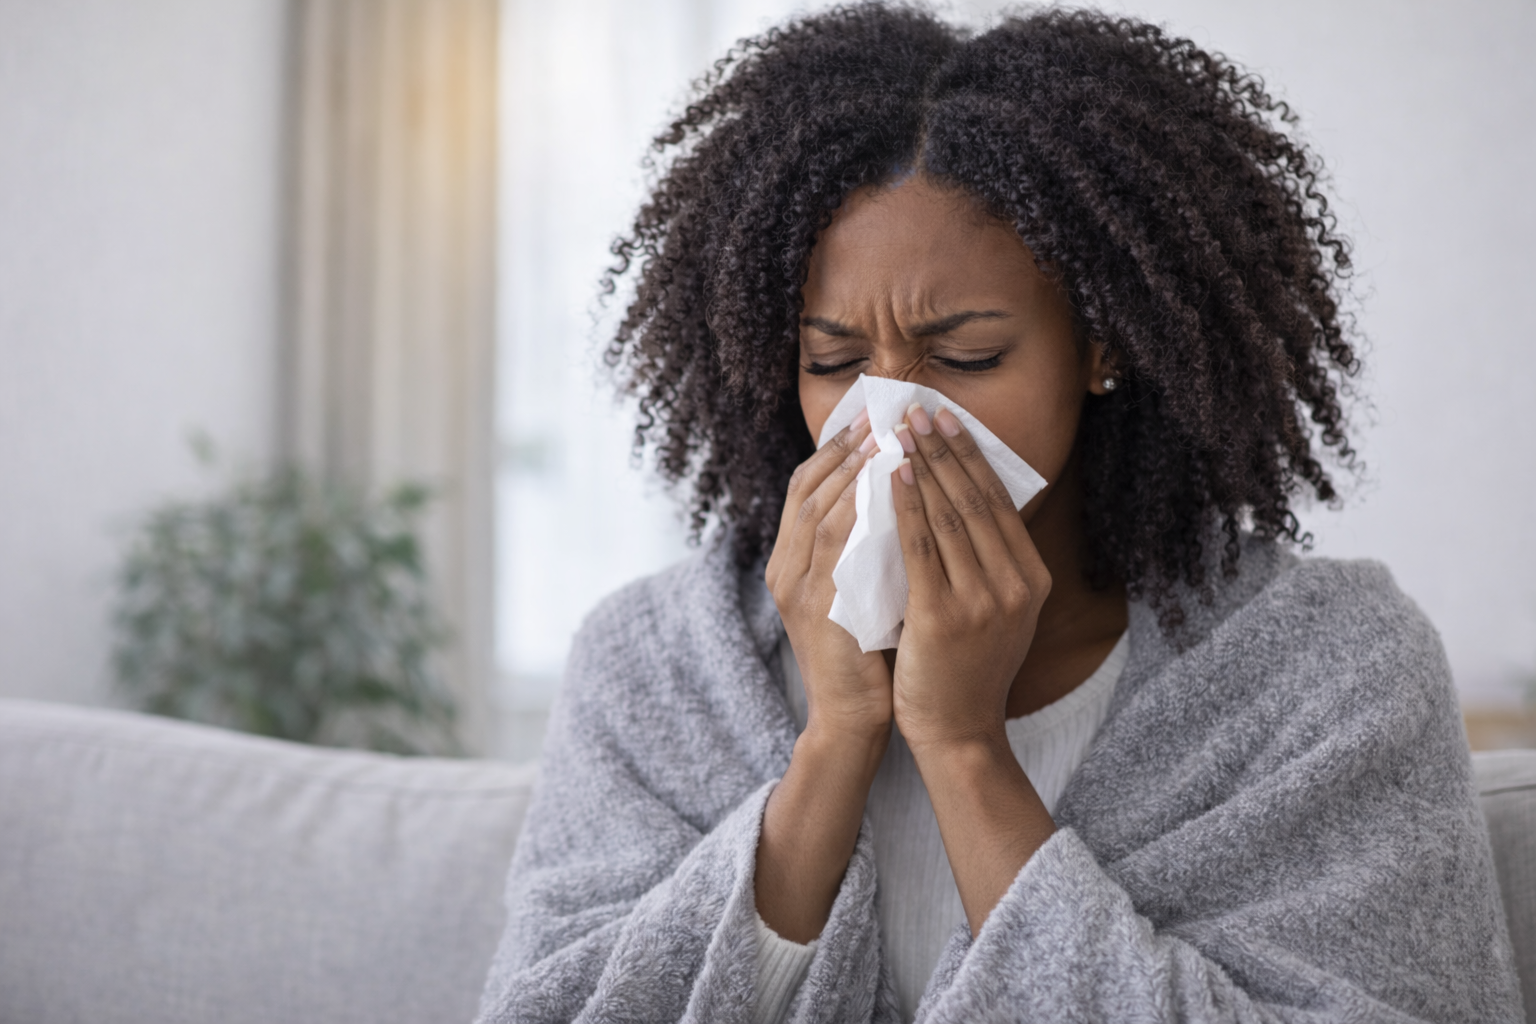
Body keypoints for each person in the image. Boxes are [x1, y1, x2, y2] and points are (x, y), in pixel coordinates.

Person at [476, 5, 1523, 1023]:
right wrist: (836, 741)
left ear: (1103, 345)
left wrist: (965, 748)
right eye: (834, 362)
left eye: (965, 357)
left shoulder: (1328, 671)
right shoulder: (654, 665)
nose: (891, 422)